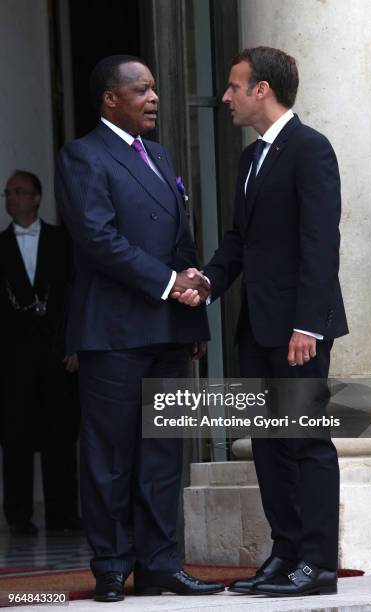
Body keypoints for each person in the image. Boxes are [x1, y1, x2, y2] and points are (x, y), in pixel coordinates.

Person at [173, 46, 348, 597]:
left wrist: (308, 326)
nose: (225, 97)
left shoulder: (310, 149)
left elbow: (321, 245)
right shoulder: (252, 159)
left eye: (233, 87)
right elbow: (238, 242)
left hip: (299, 330)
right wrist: (207, 284)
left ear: (262, 90)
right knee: (269, 444)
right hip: (257, 327)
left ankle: (317, 565)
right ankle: (286, 553)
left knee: (307, 442)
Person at [54, 55, 223, 602]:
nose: (154, 97)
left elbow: (180, 236)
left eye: (154, 89)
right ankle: (110, 565)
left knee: (162, 456)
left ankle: (159, 564)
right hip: (114, 333)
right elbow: (98, 239)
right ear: (111, 98)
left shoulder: (158, 153)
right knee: (110, 455)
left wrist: (190, 304)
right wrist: (169, 282)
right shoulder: (82, 155)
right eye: (143, 89)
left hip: (167, 331)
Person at [0, 170, 81, 536]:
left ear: (36, 198)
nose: (10, 198)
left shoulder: (62, 241)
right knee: (15, 435)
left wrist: (75, 343)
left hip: (56, 353)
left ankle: (63, 512)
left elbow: (76, 297)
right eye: (7, 193)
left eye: (18, 192)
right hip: (12, 357)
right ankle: (18, 515)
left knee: (59, 435)